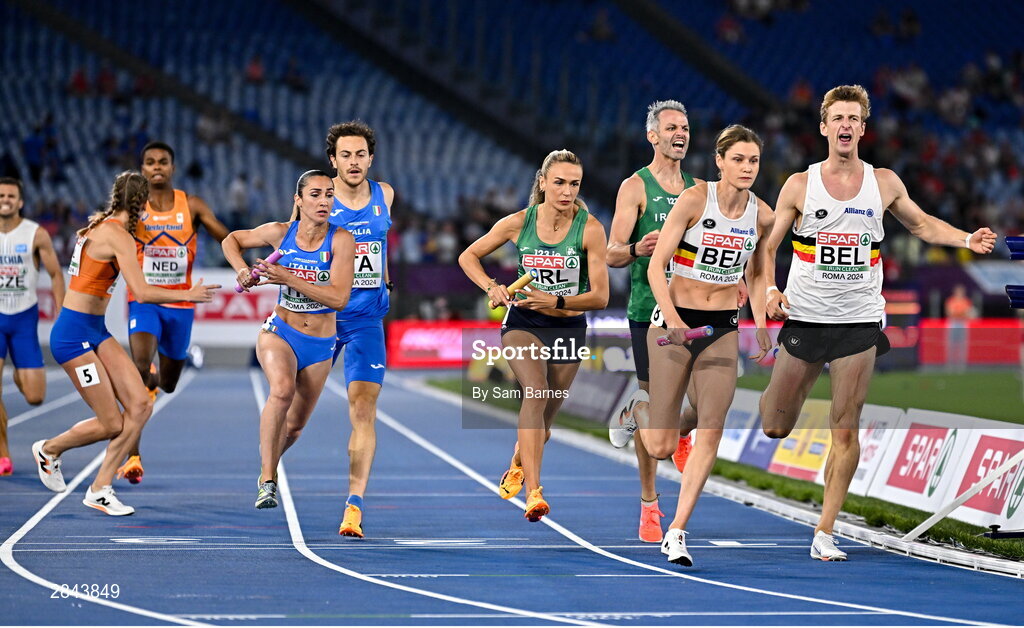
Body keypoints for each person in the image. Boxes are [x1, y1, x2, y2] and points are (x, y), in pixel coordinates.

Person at [760, 85, 997, 561]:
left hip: (860, 321)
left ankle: (825, 531)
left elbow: (923, 224)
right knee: (774, 425)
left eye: (854, 118)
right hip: (806, 316)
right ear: (824, 127)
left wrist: (967, 239)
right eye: (838, 118)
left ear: (863, 129)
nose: (846, 125)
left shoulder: (884, 181)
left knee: (845, 427)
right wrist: (770, 290)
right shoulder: (799, 185)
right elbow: (768, 247)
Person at [31, 171, 218, 515]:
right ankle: (49, 449)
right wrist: (187, 293)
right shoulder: (116, 236)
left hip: (95, 331)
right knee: (111, 423)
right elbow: (143, 293)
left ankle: (100, 489)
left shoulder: (103, 227)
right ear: (142, 204)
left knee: (141, 405)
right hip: (73, 338)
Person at [641, 125, 775, 567]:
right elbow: (656, 267)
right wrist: (675, 319)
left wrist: (759, 323)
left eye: (753, 161)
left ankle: (677, 530)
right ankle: (637, 414)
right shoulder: (696, 201)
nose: (747, 168)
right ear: (719, 161)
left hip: (722, 327)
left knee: (710, 427)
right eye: (738, 159)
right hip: (673, 322)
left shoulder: (762, 215)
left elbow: (757, 274)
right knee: (660, 446)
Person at [459, 149, 609, 522]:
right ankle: (534, 493)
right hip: (524, 323)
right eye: (558, 182)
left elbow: (601, 297)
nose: (566, 191)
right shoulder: (518, 222)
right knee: (537, 391)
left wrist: (556, 299)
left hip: (569, 325)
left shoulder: (589, 227)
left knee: (544, 423)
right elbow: (468, 257)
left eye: (574, 184)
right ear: (542, 183)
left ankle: (518, 459)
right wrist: (491, 287)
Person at [222, 170, 354, 510]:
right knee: (281, 390)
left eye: (329, 194)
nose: (324, 201)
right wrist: (239, 269)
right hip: (281, 331)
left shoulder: (342, 240)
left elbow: (338, 299)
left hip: (321, 343)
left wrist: (287, 276)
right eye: (315, 194)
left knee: (294, 428)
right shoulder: (280, 233)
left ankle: (266, 460)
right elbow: (231, 240)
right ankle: (268, 479)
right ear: (298, 200)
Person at [606, 100, 704, 542]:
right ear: (653, 136)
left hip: (694, 310)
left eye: (684, 127)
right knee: (656, 412)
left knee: (703, 404)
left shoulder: (701, 190)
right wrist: (638, 251)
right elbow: (610, 253)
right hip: (649, 312)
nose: (680, 134)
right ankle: (650, 506)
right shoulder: (635, 187)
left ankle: (660, 421)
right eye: (671, 128)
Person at [116, 141, 230, 485]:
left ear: (173, 167)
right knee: (137, 366)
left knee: (167, 383)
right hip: (144, 300)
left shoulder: (190, 205)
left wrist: (247, 251)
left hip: (181, 305)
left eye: (162, 161)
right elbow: (110, 236)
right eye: (149, 162)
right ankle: (133, 455)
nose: (156, 167)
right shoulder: (133, 208)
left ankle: (151, 380)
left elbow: (224, 236)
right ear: (142, 168)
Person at [324, 121, 395, 537]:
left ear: (371, 158)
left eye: (360, 155)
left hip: (367, 319)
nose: (354, 162)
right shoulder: (317, 198)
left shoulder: (385, 195)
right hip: (322, 318)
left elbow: (382, 245)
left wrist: (385, 278)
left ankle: (354, 504)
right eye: (346, 155)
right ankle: (268, 473)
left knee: (364, 411)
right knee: (295, 414)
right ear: (333, 160)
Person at [0, 178, 66, 476]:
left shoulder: (35, 234)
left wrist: (62, 314)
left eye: (11, 196)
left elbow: (55, 274)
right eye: (1, 195)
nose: (5, 199)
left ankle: (19, 376)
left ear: (20, 202)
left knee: (35, 397)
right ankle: (3, 453)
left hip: (24, 320)